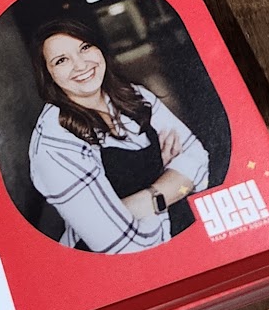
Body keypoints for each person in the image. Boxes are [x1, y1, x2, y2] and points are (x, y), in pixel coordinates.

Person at [27, 18, 209, 253]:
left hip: (180, 234)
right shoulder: (55, 144)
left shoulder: (133, 94)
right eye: (61, 60)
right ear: (48, 74)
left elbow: (200, 163)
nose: (81, 65)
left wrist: (136, 204)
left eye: (85, 47)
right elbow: (124, 246)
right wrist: (167, 177)